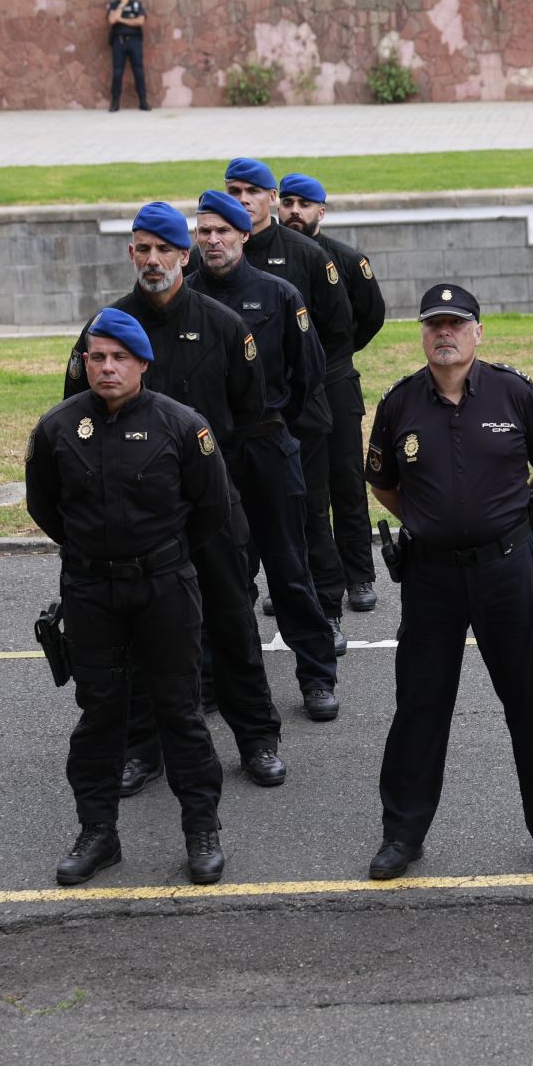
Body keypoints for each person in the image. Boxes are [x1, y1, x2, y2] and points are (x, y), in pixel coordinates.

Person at [63, 202, 287, 793]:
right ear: (130, 254)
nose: (153, 259)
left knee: (232, 622)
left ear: (184, 255)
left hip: (211, 508)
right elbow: (74, 418)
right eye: (143, 248)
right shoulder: (105, 331)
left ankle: (258, 738)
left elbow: (248, 415)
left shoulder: (222, 325)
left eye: (164, 249)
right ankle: (142, 747)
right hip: (135, 522)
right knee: (136, 639)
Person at [364, 284, 533, 880]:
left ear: (477, 332)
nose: (445, 333)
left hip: (505, 571)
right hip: (430, 576)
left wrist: (517, 520)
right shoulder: (400, 403)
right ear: (423, 333)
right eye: (434, 323)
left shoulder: (513, 392)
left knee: (531, 700)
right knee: (421, 707)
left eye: (456, 323)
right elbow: (382, 484)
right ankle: (402, 835)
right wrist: (429, 523)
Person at [26, 309, 229, 886]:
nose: (107, 367)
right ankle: (98, 834)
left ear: (142, 363)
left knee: (180, 712)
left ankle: (201, 830)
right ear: (84, 362)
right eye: (97, 357)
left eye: (119, 358)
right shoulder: (58, 428)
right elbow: (47, 507)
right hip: (90, 590)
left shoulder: (182, 426)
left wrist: (157, 557)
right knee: (100, 714)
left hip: (164, 587)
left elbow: (211, 509)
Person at [189, 189, 343, 721]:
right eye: (203, 231)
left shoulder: (278, 295)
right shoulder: (183, 297)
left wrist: (273, 428)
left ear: (244, 235)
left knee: (288, 568)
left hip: (267, 446)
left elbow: (308, 375)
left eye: (222, 231)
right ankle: (210, 677)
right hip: (209, 458)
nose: (212, 241)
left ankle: (317, 676)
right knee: (215, 573)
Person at [221, 158, 354, 650]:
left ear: (272, 198)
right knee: (236, 527)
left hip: (298, 420)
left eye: (252, 191)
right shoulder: (208, 260)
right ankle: (236, 624)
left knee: (311, 517)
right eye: (233, 190)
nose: (243, 199)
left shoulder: (305, 253)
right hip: (234, 430)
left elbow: (337, 333)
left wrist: (292, 409)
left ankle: (327, 613)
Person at [280, 172, 388, 616]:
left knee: (346, 481)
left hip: (335, 382)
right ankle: (301, 578)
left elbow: (370, 316)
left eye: (304, 204)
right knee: (297, 489)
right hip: (288, 391)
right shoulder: (267, 257)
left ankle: (358, 574)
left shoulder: (346, 260)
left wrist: (334, 357)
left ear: (320, 212)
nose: (294, 211)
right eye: (286, 202)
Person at [105, 0, 149, 112]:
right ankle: (115, 102)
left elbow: (140, 21)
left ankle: (143, 101)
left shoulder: (136, 4)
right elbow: (112, 20)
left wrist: (122, 20)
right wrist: (122, 5)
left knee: (138, 71)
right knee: (118, 72)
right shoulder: (113, 4)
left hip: (134, 41)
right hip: (119, 41)